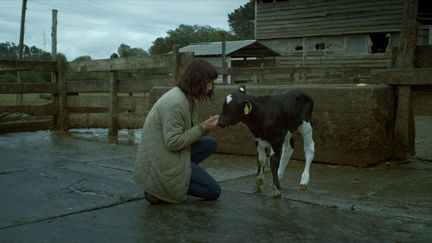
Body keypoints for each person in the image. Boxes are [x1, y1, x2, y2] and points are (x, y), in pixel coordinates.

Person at [133, 59, 221, 204]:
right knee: (213, 191)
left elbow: (183, 134)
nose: (210, 88)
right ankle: (158, 189)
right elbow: (173, 142)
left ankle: (179, 178)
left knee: (210, 144)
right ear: (197, 81)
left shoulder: (187, 97)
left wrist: (205, 128)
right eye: (208, 83)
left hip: (168, 154)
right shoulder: (176, 103)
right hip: (162, 162)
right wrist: (202, 127)